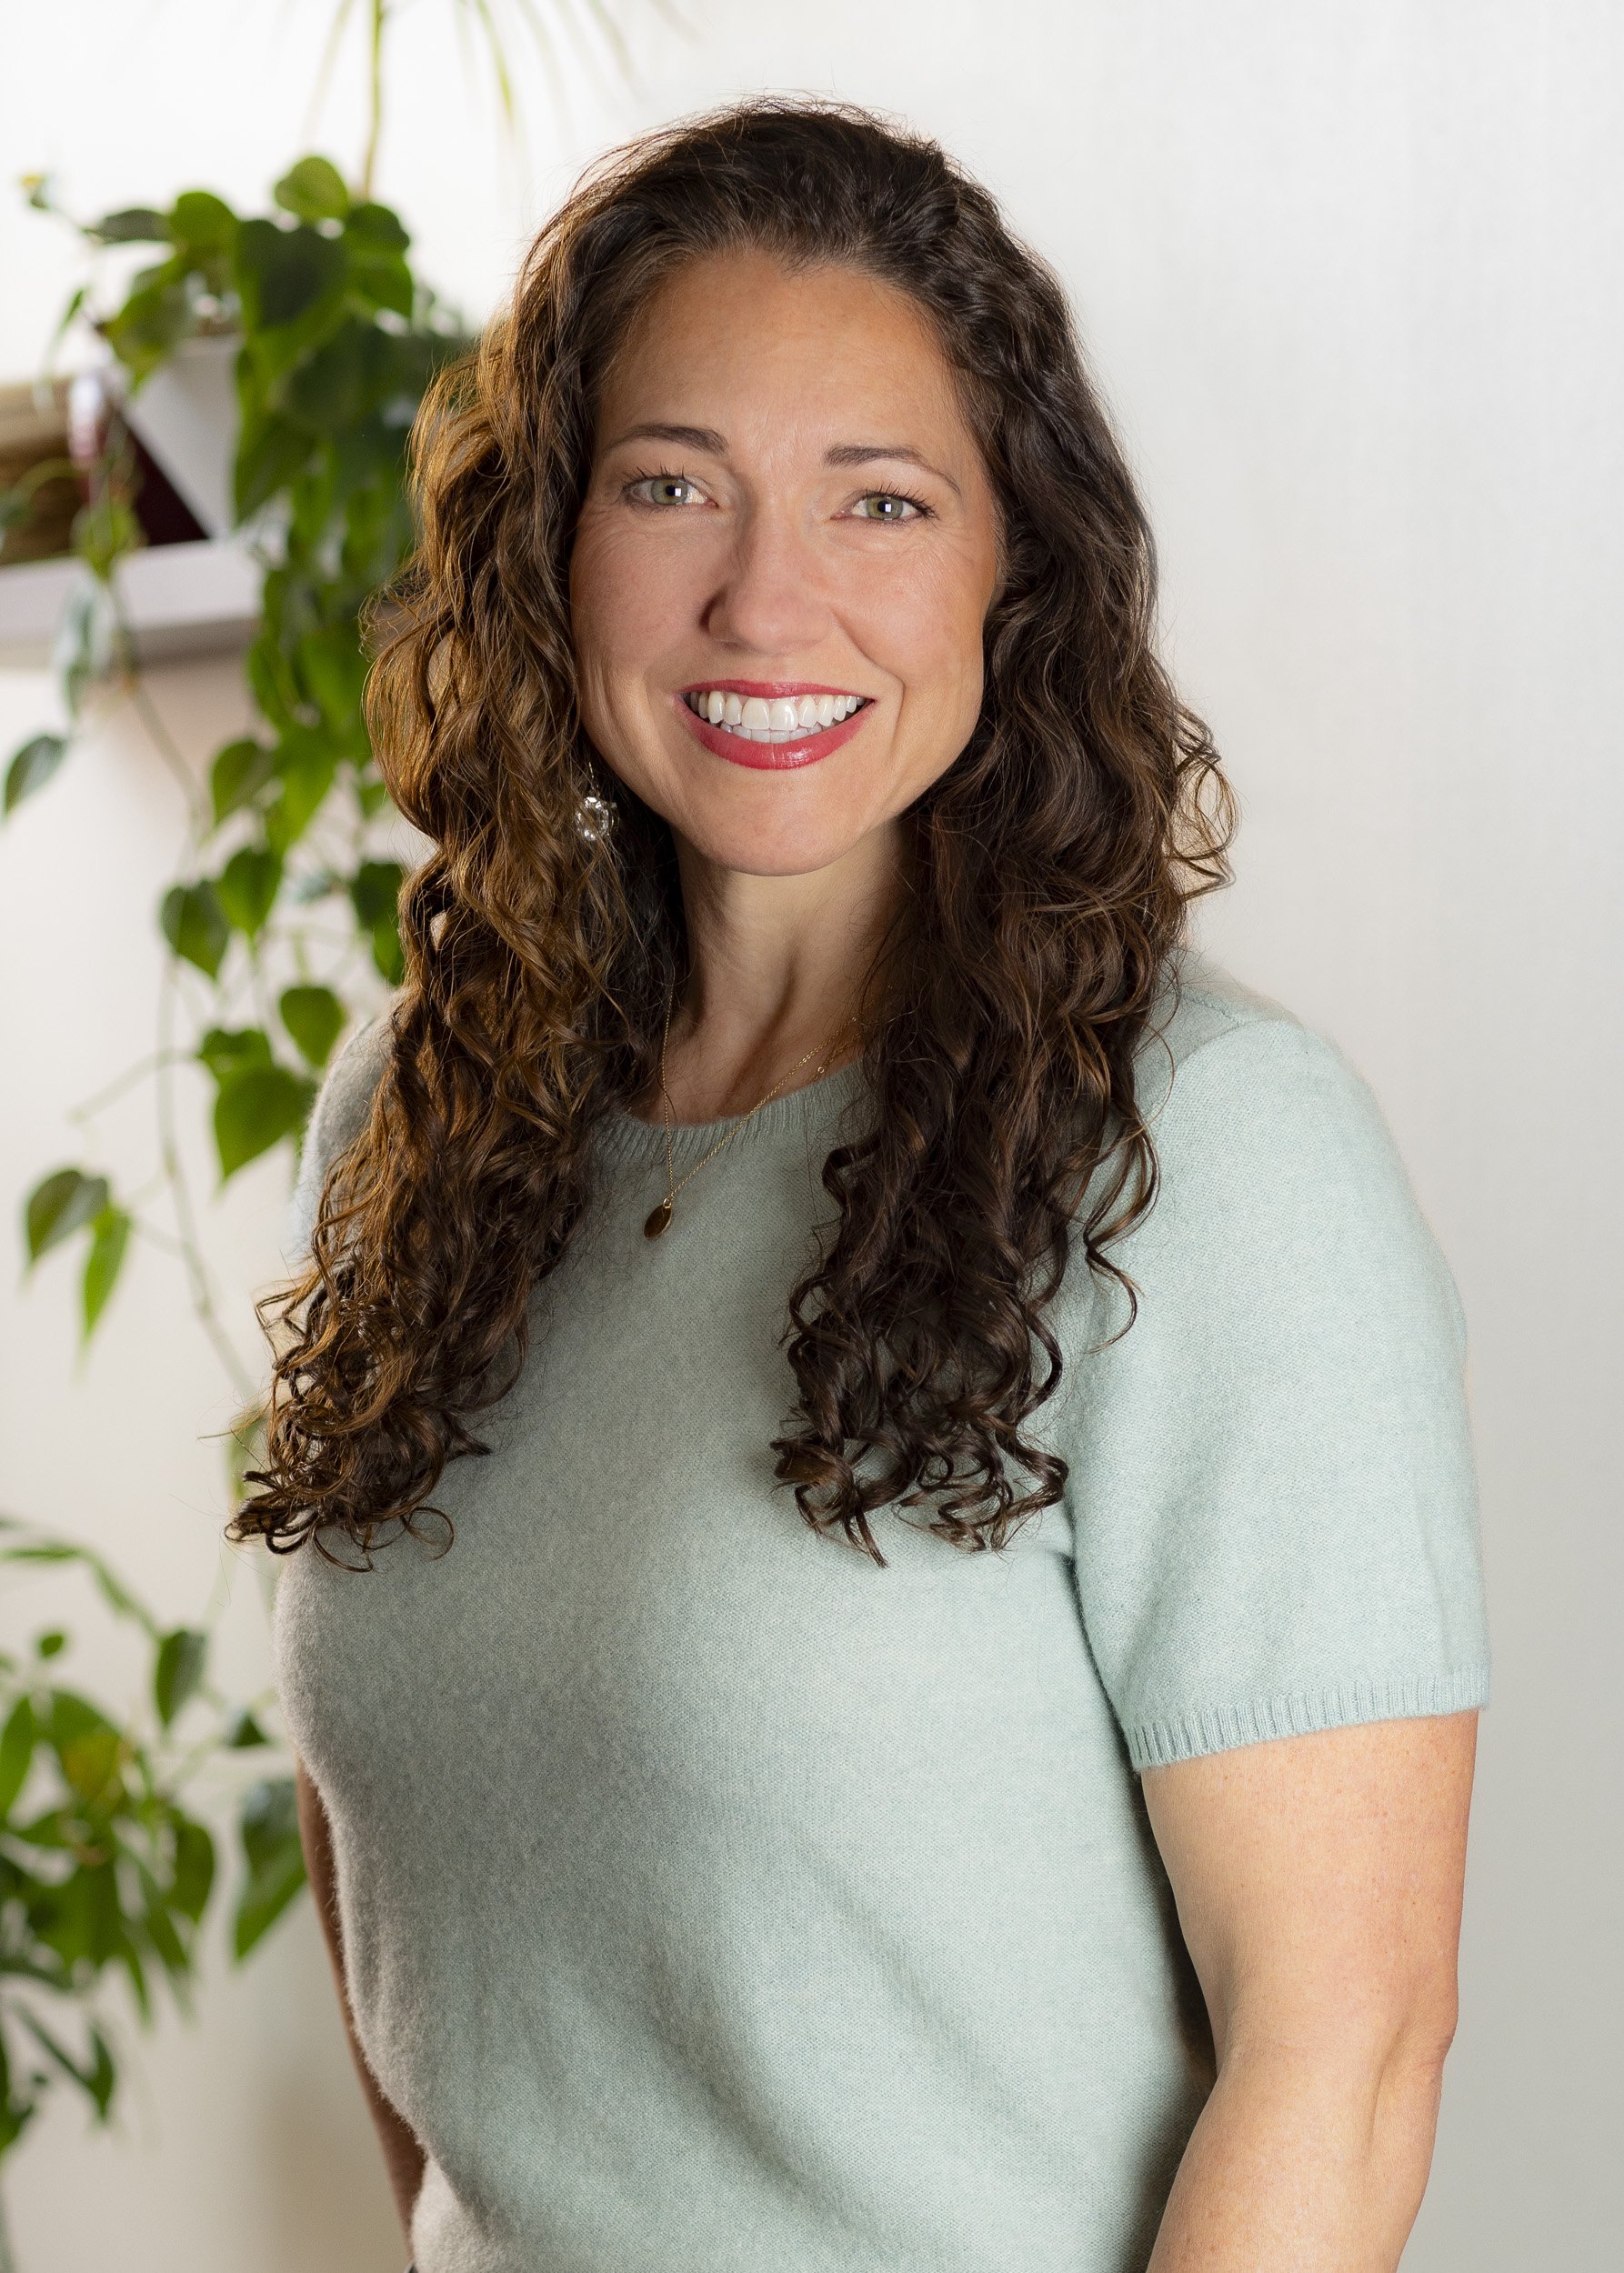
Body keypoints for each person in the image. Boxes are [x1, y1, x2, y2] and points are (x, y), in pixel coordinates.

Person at [237, 97, 1490, 2273]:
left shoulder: (1202, 1151)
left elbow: (1344, 2045)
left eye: (878, 499)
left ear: (1015, 575)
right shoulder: (421, 1111)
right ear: (550, 546)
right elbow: (402, 1883)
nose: (762, 596)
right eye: (669, 484)